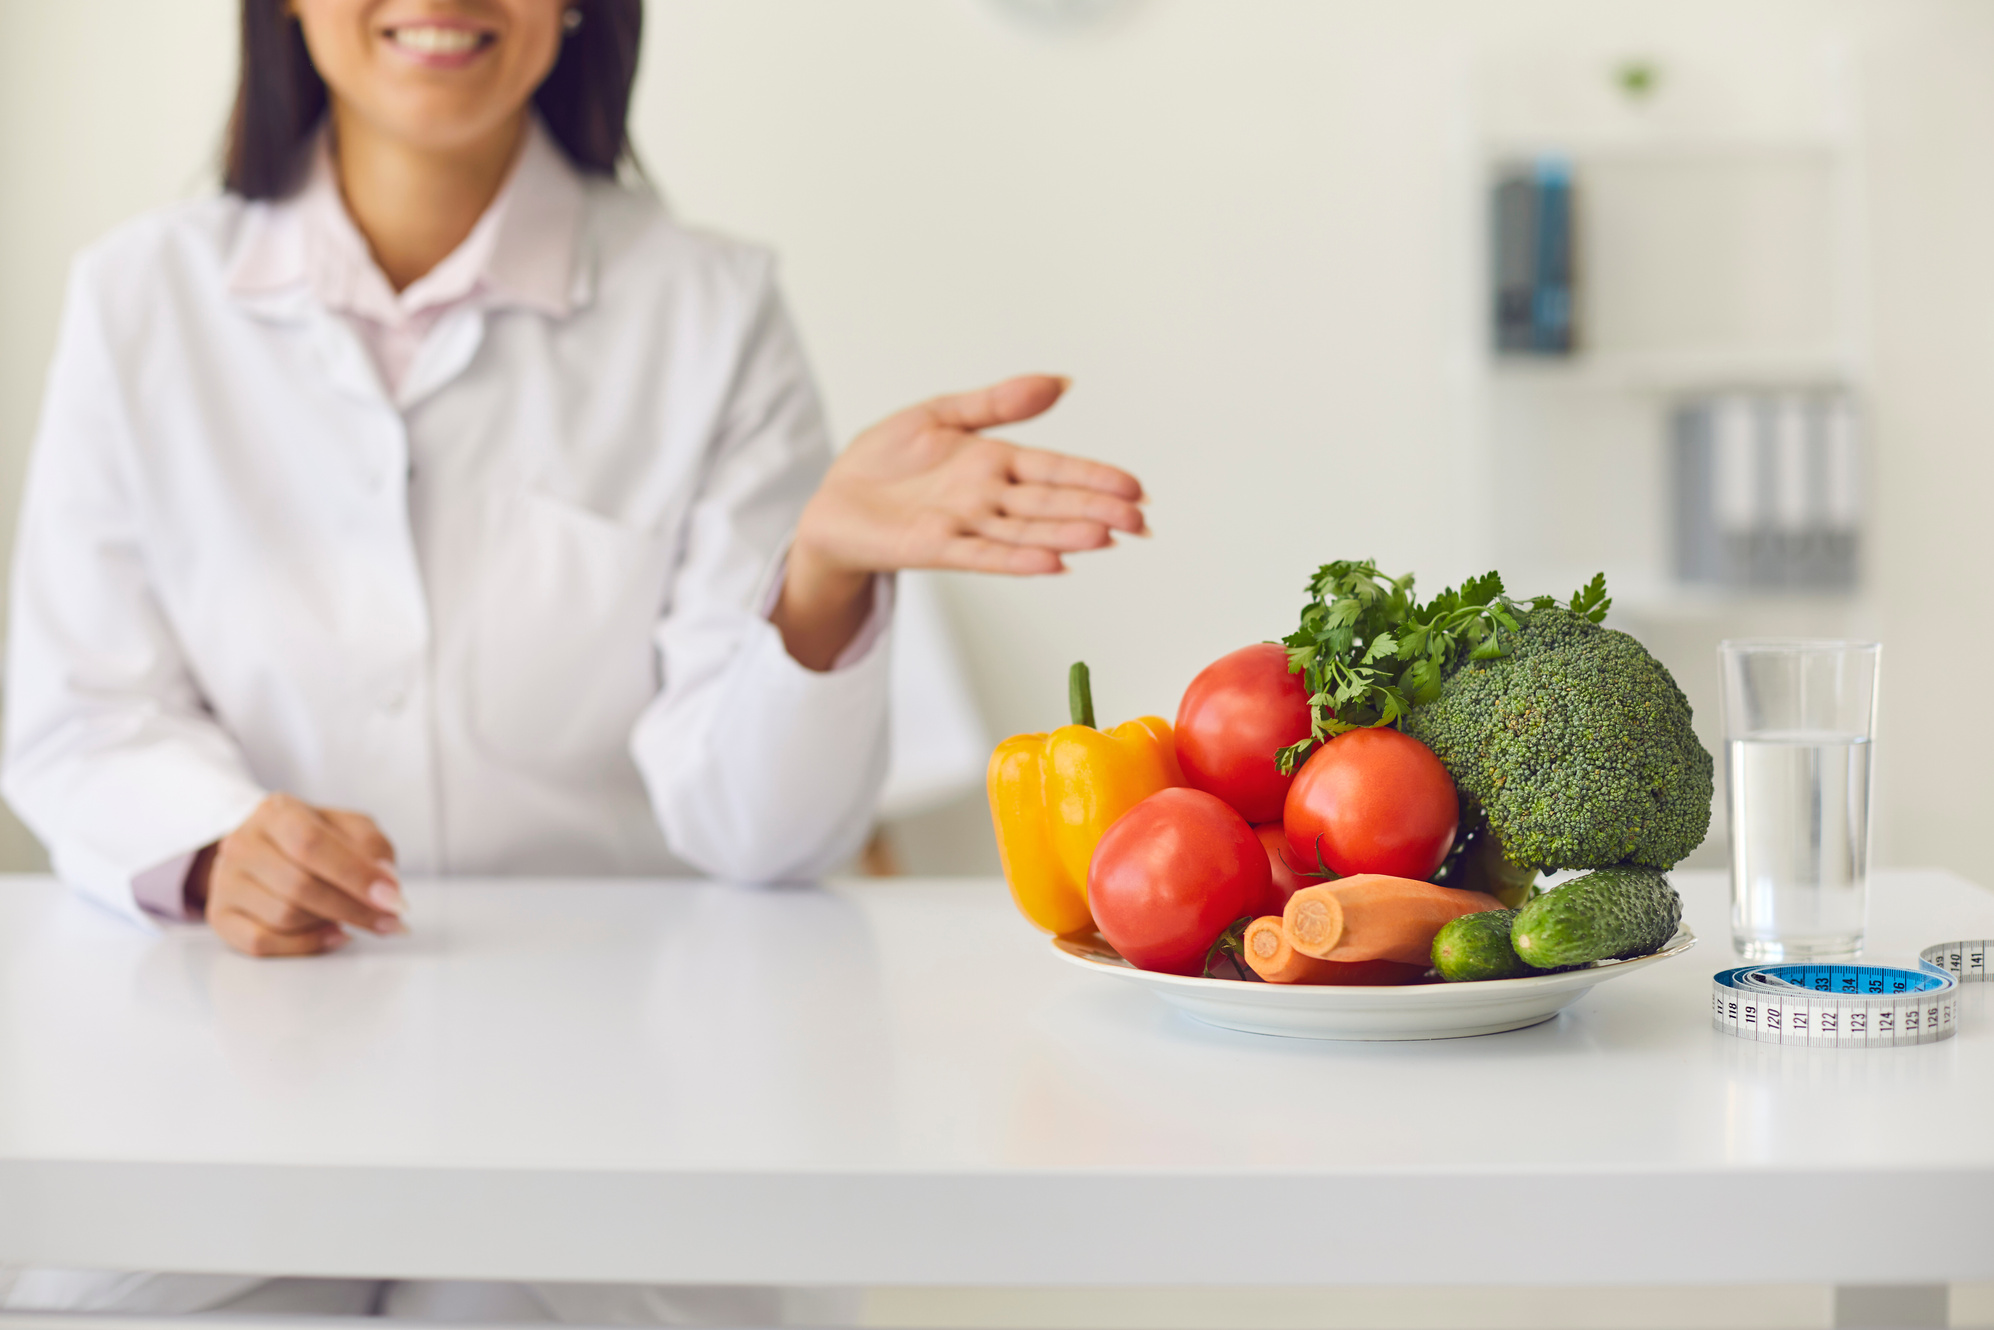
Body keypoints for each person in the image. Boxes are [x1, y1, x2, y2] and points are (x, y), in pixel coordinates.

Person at [0, 0, 1143, 1320]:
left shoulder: (710, 312)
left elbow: (761, 832)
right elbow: (82, 710)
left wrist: (823, 576)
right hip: (219, 1077)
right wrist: (212, 844)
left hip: (604, 1102)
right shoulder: (138, 300)